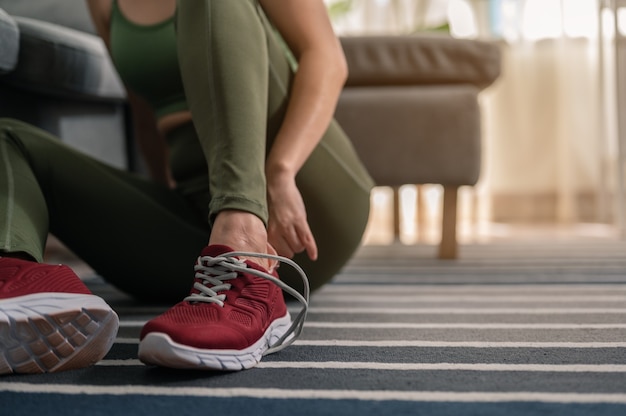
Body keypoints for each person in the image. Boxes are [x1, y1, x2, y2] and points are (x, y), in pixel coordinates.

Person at [0, 0, 373, 374]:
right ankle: (13, 283)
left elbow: (325, 57)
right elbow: (145, 116)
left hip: (304, 197)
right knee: (9, 140)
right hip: (203, 230)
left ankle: (245, 247)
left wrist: (280, 171)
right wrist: (158, 209)